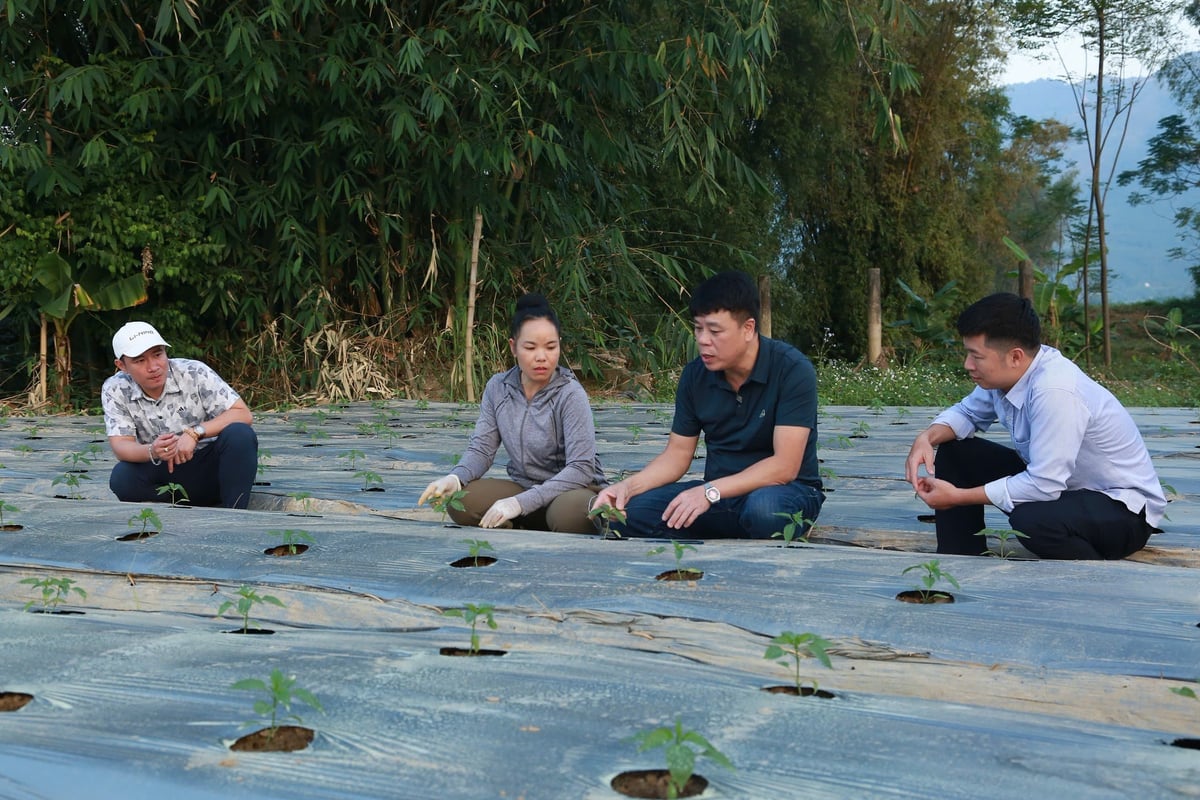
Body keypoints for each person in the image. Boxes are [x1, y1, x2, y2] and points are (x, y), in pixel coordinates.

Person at [904, 292, 1165, 559]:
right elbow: (966, 413)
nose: (967, 365)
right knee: (956, 452)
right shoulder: (1008, 375)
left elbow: (1044, 485)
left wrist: (958, 496)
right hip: (1064, 490)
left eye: (976, 356)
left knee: (1031, 521)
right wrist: (925, 439)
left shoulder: (1054, 389)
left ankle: (1091, 574)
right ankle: (958, 557)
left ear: (1015, 356)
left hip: (1120, 511)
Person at [591, 271, 823, 539]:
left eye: (714, 331)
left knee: (764, 512)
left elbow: (784, 467)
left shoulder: (791, 370)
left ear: (748, 329)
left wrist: (709, 492)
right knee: (622, 515)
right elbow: (677, 455)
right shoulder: (695, 376)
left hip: (785, 491)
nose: (702, 340)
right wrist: (627, 488)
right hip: (718, 496)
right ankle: (730, 526)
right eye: (698, 328)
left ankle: (746, 526)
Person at [417, 294, 607, 532]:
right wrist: (455, 478)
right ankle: (521, 519)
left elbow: (581, 469)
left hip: (570, 491)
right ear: (513, 347)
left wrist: (520, 503)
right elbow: (482, 449)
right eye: (530, 347)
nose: (542, 357)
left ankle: (525, 517)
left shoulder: (570, 394)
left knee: (570, 516)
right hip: (524, 487)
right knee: (461, 502)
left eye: (551, 347)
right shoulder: (498, 387)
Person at [102, 321, 259, 509]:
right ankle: (177, 507)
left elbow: (242, 413)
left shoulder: (194, 372)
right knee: (122, 477)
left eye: (158, 354)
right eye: (140, 360)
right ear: (122, 366)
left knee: (240, 434)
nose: (153, 367)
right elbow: (121, 445)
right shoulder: (115, 388)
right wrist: (152, 450)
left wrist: (195, 433)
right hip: (165, 474)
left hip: (209, 466)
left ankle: (234, 511)